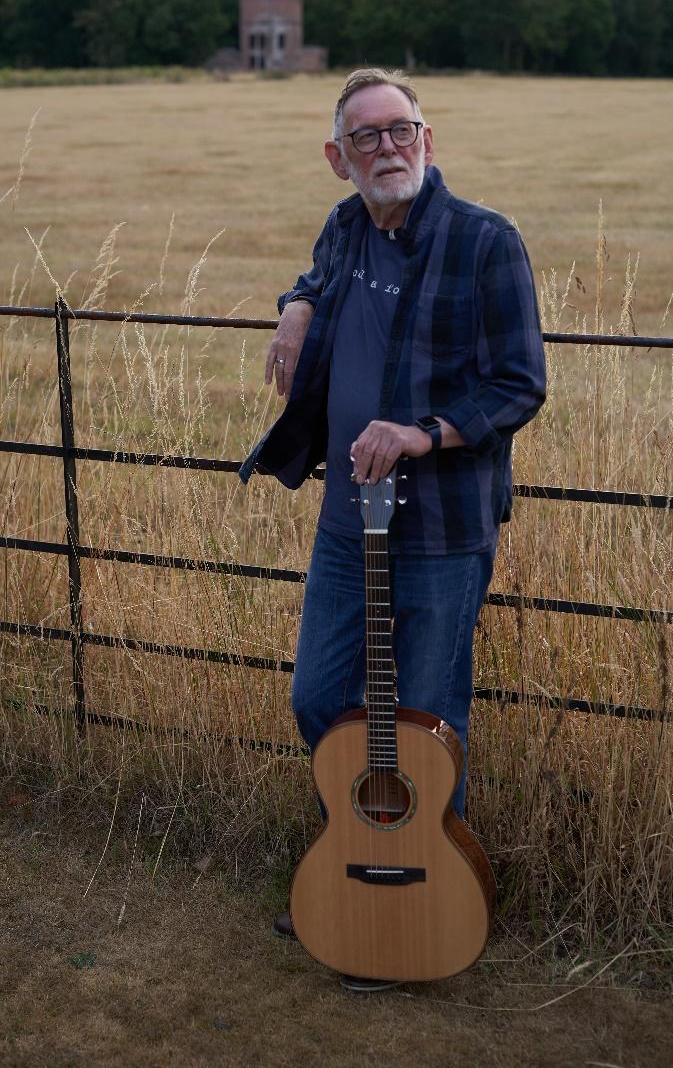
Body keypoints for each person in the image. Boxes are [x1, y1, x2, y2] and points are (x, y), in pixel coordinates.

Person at [239, 67, 546, 975]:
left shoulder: (484, 242)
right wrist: (295, 306)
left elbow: (519, 384)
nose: (387, 148)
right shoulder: (345, 227)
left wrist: (422, 431)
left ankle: (422, 888)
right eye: (366, 137)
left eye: (400, 129)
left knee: (428, 726)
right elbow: (317, 274)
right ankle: (348, 864)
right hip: (347, 524)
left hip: (442, 531)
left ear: (427, 137)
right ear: (339, 158)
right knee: (316, 699)